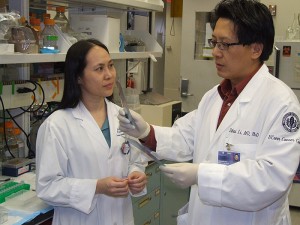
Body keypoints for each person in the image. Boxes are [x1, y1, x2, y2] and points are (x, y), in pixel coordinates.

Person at [118, 0, 300, 224]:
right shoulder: (216, 96)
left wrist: (201, 175)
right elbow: (186, 137)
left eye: (224, 44)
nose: (215, 52)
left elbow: (271, 179)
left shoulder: (281, 103)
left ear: (256, 49)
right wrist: (146, 132)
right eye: (214, 42)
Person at [36, 39, 147, 225]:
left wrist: (136, 174)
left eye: (111, 66)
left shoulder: (123, 117)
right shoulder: (56, 126)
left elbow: (136, 160)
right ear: (78, 77)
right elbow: (47, 187)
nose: (109, 75)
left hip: (121, 217)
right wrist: (96, 187)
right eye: (99, 69)